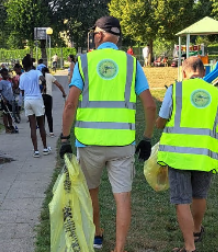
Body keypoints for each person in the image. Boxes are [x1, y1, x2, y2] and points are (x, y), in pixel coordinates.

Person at [59, 16, 157, 252]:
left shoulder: (84, 62)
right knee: (122, 197)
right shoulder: (132, 64)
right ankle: (120, 249)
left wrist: (64, 138)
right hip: (122, 142)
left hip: (89, 142)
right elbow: (151, 106)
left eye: (94, 34)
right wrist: (146, 138)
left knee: (92, 191)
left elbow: (70, 105)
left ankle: (98, 233)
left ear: (100, 35)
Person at [156, 57, 218, 252]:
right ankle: (196, 230)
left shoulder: (176, 90)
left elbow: (161, 121)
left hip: (178, 156)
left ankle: (189, 247)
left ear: (183, 73)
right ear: (204, 73)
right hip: (205, 155)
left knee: (182, 200)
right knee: (199, 195)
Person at [19, 55, 50, 158]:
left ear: (23, 65)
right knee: (41, 125)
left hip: (27, 100)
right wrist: (42, 85)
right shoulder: (36, 72)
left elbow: (22, 91)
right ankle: (45, 148)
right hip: (37, 99)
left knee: (32, 126)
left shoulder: (22, 76)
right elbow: (43, 79)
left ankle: (36, 151)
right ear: (32, 64)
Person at [41, 67, 67, 137]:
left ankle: (43, 131)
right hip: (48, 96)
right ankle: (51, 132)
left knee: (42, 114)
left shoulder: (39, 77)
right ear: (48, 70)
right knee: (49, 114)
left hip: (41, 97)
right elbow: (59, 85)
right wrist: (63, 93)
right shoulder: (50, 76)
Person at [0, 68, 18, 134]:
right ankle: (6, 128)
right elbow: (0, 92)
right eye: (5, 74)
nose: (6, 75)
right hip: (5, 101)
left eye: (7, 74)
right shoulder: (1, 82)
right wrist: (3, 99)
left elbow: (15, 86)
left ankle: (11, 125)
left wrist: (12, 79)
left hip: (10, 100)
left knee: (10, 114)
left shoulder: (9, 82)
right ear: (2, 75)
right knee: (5, 114)